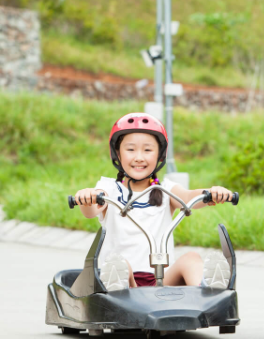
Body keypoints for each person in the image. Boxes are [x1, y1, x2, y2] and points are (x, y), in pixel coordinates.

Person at [73, 112, 234, 290]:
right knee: (120, 266)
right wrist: (87, 198)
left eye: (148, 150)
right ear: (118, 153)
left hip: (161, 283)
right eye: (131, 149)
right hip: (124, 281)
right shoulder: (109, 189)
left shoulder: (165, 190)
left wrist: (211, 193)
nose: (139, 157)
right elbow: (91, 210)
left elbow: (189, 198)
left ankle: (207, 290)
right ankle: (118, 293)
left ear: (160, 155)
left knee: (192, 258)